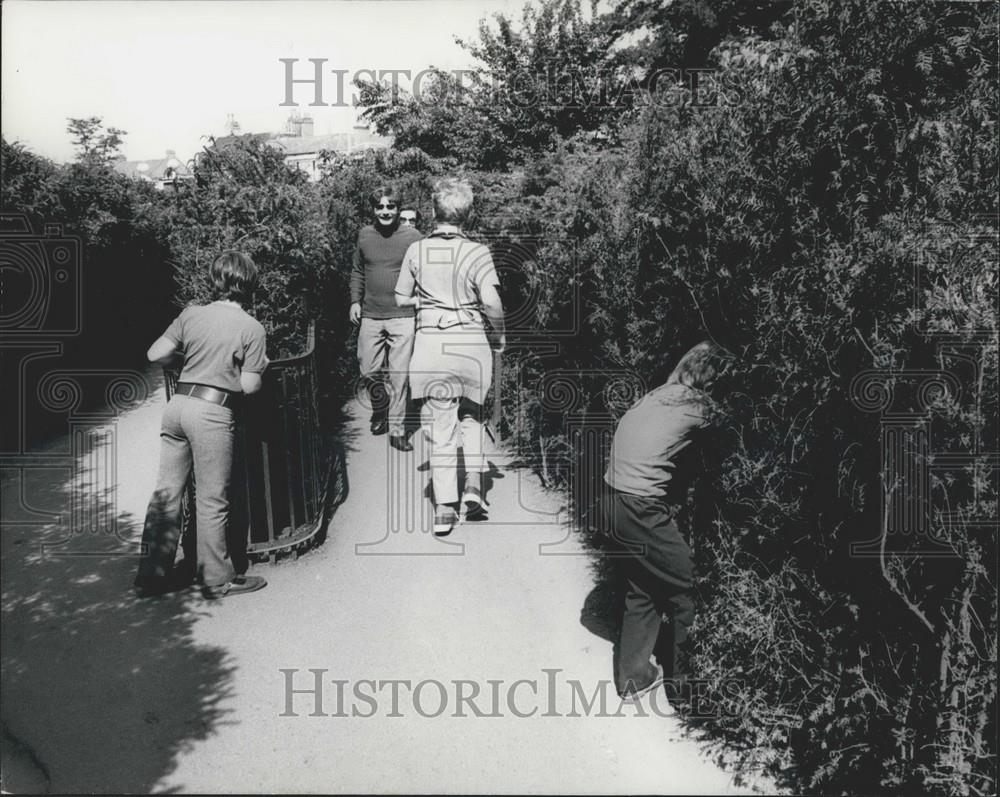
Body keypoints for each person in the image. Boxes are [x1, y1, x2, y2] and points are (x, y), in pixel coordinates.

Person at [135, 251, 269, 599]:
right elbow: (250, 386)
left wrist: (187, 358)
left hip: (177, 406)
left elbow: (155, 355)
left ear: (217, 279)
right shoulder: (252, 328)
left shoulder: (191, 314)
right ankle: (216, 579)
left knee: (167, 492)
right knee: (212, 499)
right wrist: (259, 364)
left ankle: (151, 575)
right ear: (250, 284)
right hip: (212, 413)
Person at [601, 341, 729, 699]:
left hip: (610, 501)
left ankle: (634, 679)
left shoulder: (659, 394)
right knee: (687, 588)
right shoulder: (698, 405)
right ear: (714, 378)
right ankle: (687, 692)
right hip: (638, 507)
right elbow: (732, 427)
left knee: (643, 587)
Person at [394, 178, 505, 536]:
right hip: (470, 344)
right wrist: (499, 334)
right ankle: (474, 486)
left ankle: (445, 509)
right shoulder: (478, 253)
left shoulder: (417, 251)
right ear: (467, 216)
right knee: (472, 414)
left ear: (431, 212)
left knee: (441, 427)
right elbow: (491, 302)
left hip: (432, 346)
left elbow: (399, 298)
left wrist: (429, 303)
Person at [349, 186, 424, 451]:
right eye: (380, 207)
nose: (385, 211)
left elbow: (424, 271)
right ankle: (380, 408)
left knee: (399, 376)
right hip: (370, 314)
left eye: (390, 207)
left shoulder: (412, 237)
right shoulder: (365, 236)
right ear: (373, 209)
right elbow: (358, 270)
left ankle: (397, 430)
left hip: (402, 316)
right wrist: (355, 301)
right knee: (367, 370)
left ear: (397, 209)